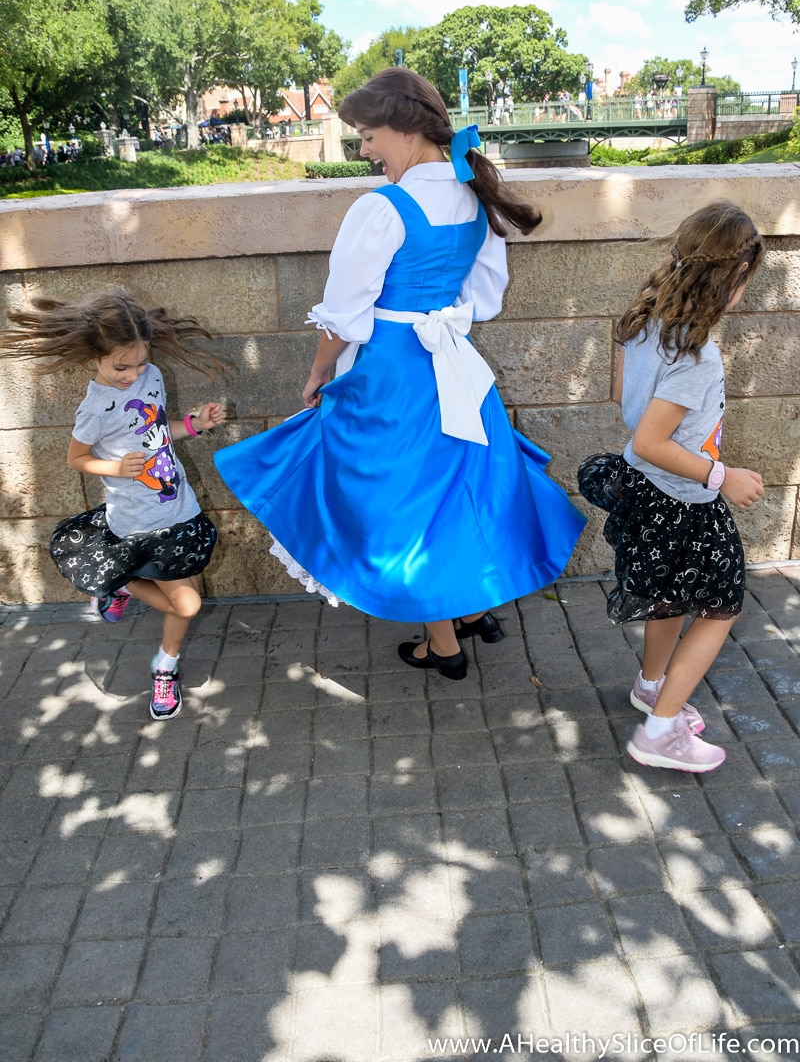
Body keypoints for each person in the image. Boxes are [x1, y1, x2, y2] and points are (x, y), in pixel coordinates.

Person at [215, 68, 586, 681]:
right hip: (454, 371)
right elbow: (484, 296)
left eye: (367, 135)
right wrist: (441, 317)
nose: (364, 150)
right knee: (460, 491)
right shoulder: (473, 197)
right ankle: (472, 612)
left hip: (391, 376)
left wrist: (316, 374)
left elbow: (344, 314)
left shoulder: (382, 208)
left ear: (407, 129)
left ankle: (442, 645)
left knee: (404, 503)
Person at [578, 200, 765, 772]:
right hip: (685, 500)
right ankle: (660, 734)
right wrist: (721, 475)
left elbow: (622, 402)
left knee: (672, 593)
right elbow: (648, 443)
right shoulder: (698, 355)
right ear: (734, 276)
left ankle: (652, 686)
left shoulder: (644, 322)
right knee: (721, 608)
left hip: (650, 493)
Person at [0, 290, 226, 720]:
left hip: (179, 511)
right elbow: (76, 459)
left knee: (187, 600)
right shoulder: (95, 409)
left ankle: (166, 665)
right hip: (136, 522)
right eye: (121, 366)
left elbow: (160, 432)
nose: (132, 374)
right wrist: (117, 468)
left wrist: (196, 424)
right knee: (188, 604)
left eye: (139, 362)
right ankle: (118, 584)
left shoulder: (153, 377)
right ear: (96, 357)